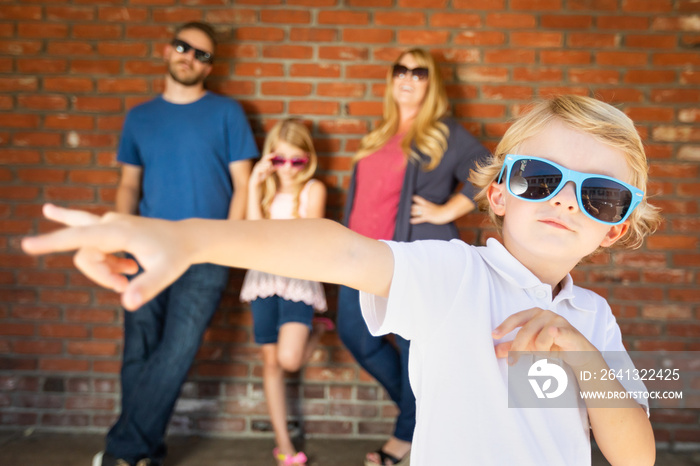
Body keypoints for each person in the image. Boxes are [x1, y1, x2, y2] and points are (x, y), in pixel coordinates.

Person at [23, 95, 660, 466]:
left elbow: (634, 455)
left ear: (615, 228)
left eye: (601, 195)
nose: (566, 201)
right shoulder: (456, 275)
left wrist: (579, 352)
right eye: (540, 178)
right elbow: (342, 252)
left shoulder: (592, 316)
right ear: (498, 192)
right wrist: (189, 238)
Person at [92, 22, 258, 466]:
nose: (191, 58)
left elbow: (243, 185)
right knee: (139, 350)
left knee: (178, 349)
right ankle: (146, 451)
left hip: (205, 252)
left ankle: (123, 450)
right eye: (185, 48)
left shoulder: (227, 113)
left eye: (202, 54)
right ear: (168, 51)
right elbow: (129, 185)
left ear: (210, 65)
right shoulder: (140, 117)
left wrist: (227, 243)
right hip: (143, 249)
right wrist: (119, 234)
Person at [338, 48, 488, 466]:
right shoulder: (380, 133)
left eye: (418, 71)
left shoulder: (443, 133)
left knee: (411, 347)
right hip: (359, 256)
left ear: (431, 82)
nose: (407, 77)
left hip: (408, 257)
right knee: (357, 336)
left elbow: (490, 167)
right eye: (400, 69)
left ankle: (407, 433)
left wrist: (445, 211)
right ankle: (423, 415)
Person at [239, 119, 331, 466]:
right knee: (270, 362)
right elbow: (250, 237)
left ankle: (319, 328)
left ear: (308, 160)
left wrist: (270, 242)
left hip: (297, 280)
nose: (289, 169)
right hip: (263, 281)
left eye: (297, 161)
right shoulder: (263, 192)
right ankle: (284, 445)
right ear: (269, 160)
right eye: (280, 160)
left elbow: (309, 239)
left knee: (289, 359)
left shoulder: (313, 191)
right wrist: (253, 185)